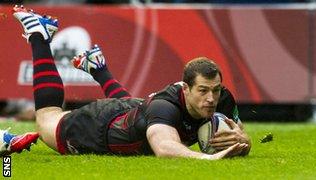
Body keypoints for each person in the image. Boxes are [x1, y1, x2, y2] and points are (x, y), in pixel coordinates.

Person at [0, 5, 251, 159]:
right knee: (46, 118)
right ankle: (39, 37)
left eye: (215, 90)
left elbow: (241, 136)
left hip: (132, 109)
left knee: (137, 112)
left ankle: (98, 69)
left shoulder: (222, 98)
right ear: (186, 88)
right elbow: (165, 148)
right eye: (203, 91)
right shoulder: (165, 109)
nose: (211, 98)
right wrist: (210, 158)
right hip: (97, 128)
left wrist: (243, 142)